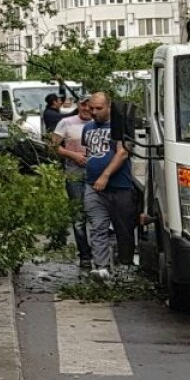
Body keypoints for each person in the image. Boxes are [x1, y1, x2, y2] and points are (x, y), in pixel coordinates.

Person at [81, 91, 140, 278]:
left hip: (119, 186)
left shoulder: (119, 127)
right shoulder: (88, 128)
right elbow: (89, 152)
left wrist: (105, 175)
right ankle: (101, 267)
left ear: (109, 107)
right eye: (91, 108)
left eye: (99, 108)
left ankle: (125, 266)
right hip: (93, 186)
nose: (94, 112)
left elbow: (123, 153)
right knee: (98, 226)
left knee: (123, 228)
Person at [51, 97, 94, 271]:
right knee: (78, 216)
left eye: (90, 105)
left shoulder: (103, 124)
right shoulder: (65, 123)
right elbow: (53, 146)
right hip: (74, 174)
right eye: (83, 104)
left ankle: (101, 254)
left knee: (98, 216)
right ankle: (84, 255)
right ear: (78, 105)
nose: (86, 108)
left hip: (97, 175)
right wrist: (73, 155)